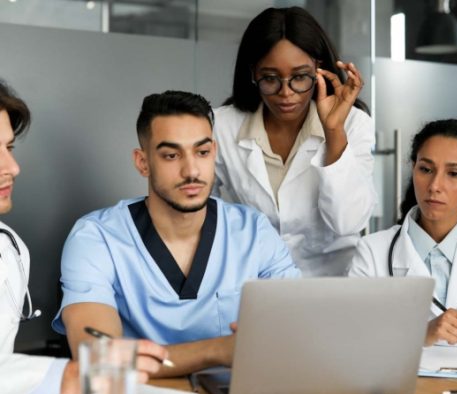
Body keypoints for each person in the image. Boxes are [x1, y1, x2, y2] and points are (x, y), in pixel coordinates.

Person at [52, 90, 300, 377]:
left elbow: (296, 331)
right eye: (171, 155)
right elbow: (98, 359)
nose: (191, 170)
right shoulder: (97, 238)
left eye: (202, 152)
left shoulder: (253, 231)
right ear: (142, 162)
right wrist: (220, 350)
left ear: (214, 153)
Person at [0, 81, 167, 394]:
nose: (13, 168)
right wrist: (69, 376)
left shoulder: (10, 249)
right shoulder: (97, 234)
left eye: (8, 148)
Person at [213, 6, 377, 276]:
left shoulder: (353, 124)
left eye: (300, 77)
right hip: (252, 279)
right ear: (253, 73)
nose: (286, 93)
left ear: (319, 70)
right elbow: (202, 215)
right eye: (270, 79)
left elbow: (347, 222)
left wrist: (333, 130)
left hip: (332, 283)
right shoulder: (222, 126)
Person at [348, 119, 457, 349]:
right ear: (413, 168)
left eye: (454, 174)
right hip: (404, 384)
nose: (435, 185)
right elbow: (354, 337)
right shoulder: (373, 250)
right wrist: (423, 333)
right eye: (426, 169)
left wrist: (415, 336)